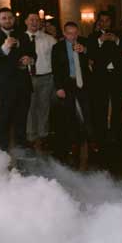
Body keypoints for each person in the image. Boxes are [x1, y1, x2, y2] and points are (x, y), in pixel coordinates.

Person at [0, 7, 36, 151]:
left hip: (23, 83)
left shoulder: (23, 35)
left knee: (22, 118)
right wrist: (5, 47)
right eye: (4, 18)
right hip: (3, 85)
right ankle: (3, 148)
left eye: (10, 18)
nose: (8, 20)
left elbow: (32, 54)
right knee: (4, 118)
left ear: (14, 19)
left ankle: (21, 146)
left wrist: (29, 59)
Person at [52, 22, 91, 169]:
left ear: (78, 32)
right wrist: (59, 88)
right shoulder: (57, 48)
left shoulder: (85, 42)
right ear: (64, 33)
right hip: (67, 83)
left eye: (75, 33)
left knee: (87, 112)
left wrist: (85, 50)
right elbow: (55, 69)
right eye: (69, 33)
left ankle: (87, 142)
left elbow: (94, 56)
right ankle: (73, 142)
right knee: (69, 114)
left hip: (83, 83)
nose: (72, 36)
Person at [87, 11, 122, 149]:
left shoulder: (119, 35)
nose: (104, 23)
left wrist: (117, 41)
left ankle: (116, 135)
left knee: (117, 106)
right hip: (100, 77)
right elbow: (91, 54)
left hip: (117, 76)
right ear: (99, 22)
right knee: (100, 107)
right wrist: (100, 41)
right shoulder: (92, 37)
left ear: (111, 22)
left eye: (107, 20)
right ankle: (101, 136)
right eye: (101, 20)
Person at [21, 12, 56, 150]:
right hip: (27, 78)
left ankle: (43, 135)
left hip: (46, 77)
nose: (34, 22)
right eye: (31, 19)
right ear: (26, 21)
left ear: (40, 22)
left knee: (44, 108)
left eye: (37, 20)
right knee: (29, 108)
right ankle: (30, 136)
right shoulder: (20, 39)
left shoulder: (50, 39)